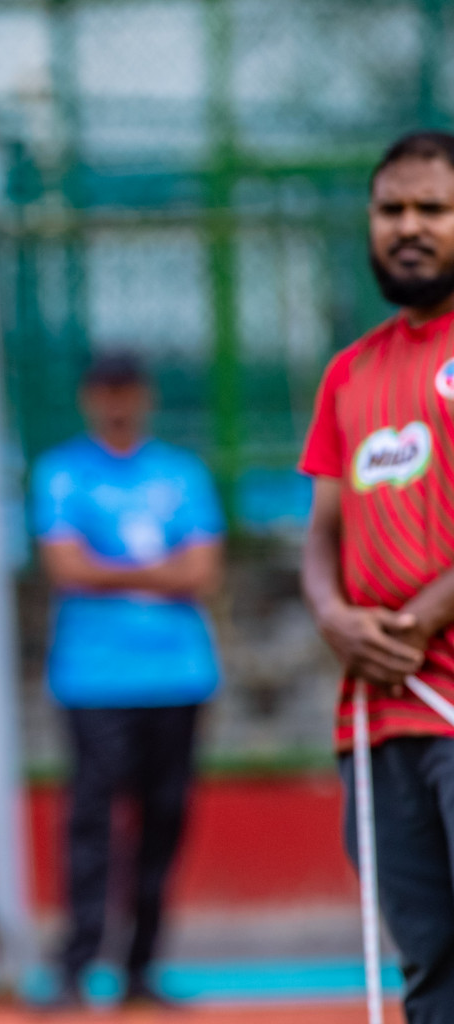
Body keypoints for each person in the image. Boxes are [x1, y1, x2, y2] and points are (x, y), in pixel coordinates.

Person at [300, 130, 454, 1024]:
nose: (409, 227)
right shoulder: (348, 373)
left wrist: (420, 618)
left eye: (432, 209)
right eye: (391, 209)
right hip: (381, 719)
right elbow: (323, 531)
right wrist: (331, 616)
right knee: (429, 962)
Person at [31, 352, 224, 1009]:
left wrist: (105, 569)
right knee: (92, 823)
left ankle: (142, 968)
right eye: (105, 392)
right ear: (90, 399)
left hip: (180, 676)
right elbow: (64, 568)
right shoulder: (61, 472)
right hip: (93, 679)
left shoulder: (182, 472)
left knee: (164, 823)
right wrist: (158, 574)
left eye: (128, 391)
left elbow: (201, 572)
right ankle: (76, 966)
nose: (117, 404)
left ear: (145, 398)